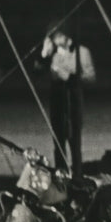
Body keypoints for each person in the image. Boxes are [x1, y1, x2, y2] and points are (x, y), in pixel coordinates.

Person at [39, 21, 96, 177]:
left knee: (74, 143)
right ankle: (61, 176)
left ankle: (77, 176)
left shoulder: (81, 52)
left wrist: (69, 76)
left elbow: (90, 78)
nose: (55, 42)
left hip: (74, 101)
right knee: (58, 143)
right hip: (57, 101)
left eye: (55, 37)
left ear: (64, 35)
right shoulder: (53, 54)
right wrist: (44, 54)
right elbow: (36, 71)